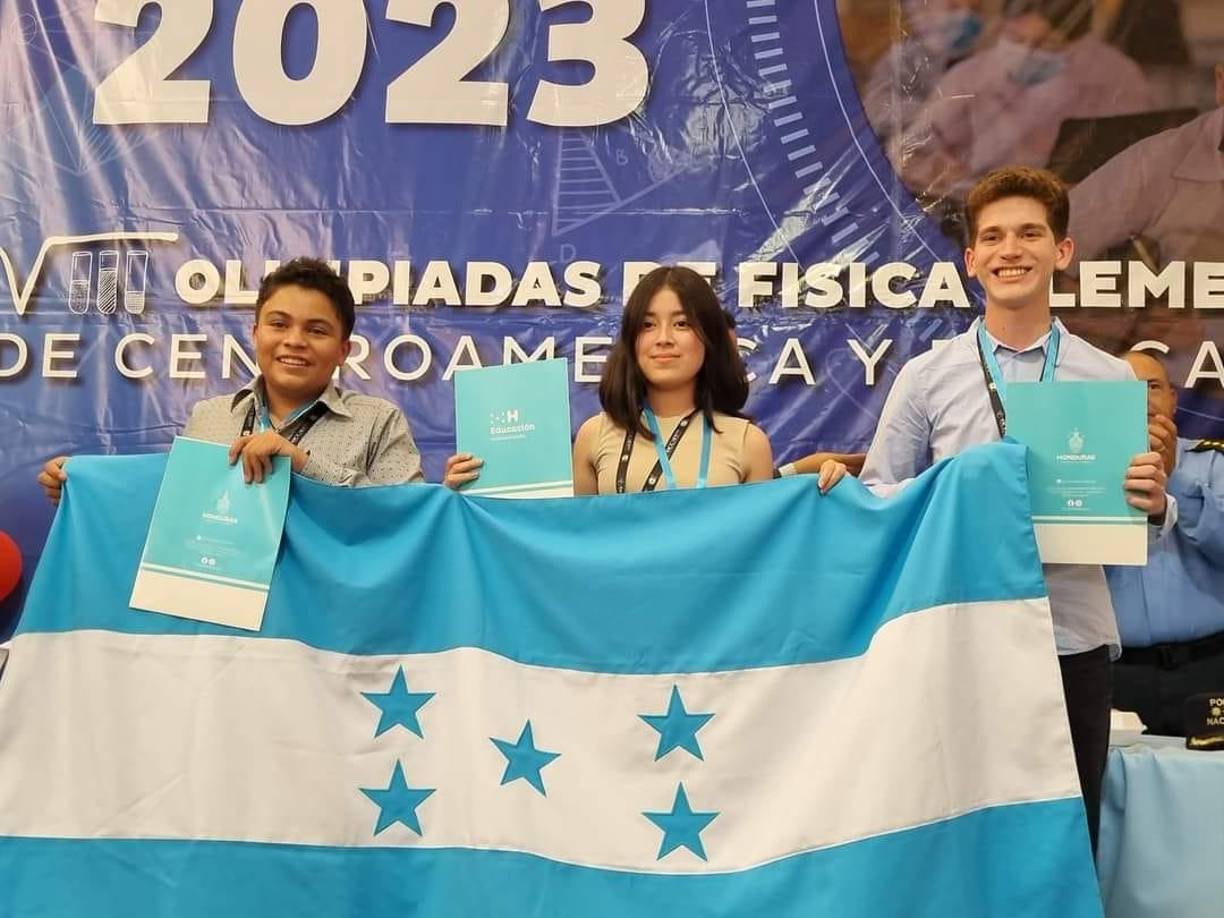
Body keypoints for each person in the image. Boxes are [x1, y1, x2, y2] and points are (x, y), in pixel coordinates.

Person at [859, 165, 1171, 852]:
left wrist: (1151, 503)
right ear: (971, 262)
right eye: (993, 237)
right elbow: (883, 501)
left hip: (1070, 641)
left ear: (1062, 251)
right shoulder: (927, 377)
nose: (1011, 249)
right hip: (955, 637)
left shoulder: (1110, 378)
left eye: (1030, 233)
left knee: (1064, 838)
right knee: (956, 836)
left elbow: (1136, 514)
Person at [38, 257, 425, 501]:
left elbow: (411, 518)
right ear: (255, 333)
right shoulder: (210, 416)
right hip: (219, 614)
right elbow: (175, 503)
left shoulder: (379, 420)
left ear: (343, 350)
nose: (294, 341)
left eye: (317, 330)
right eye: (279, 324)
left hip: (326, 620)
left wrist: (304, 465)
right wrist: (85, 487)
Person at [446, 266, 846, 494]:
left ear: (708, 339)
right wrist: (462, 495)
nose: (664, 339)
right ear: (631, 339)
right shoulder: (595, 435)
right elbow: (558, 540)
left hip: (709, 635)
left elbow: (766, 555)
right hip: (608, 630)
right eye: (648, 324)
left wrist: (831, 495)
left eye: (683, 323)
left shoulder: (746, 441)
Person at [895, 0, 1152, 199]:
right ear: (1002, 28)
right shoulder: (971, 76)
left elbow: (1140, 160)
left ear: (1078, 43)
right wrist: (938, 170)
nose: (1027, 53)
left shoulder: (1116, 76)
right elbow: (905, 153)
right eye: (1016, 39)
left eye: (1047, 45)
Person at [1106, 351, 1224, 737]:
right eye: (1125, 389)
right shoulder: (1085, 474)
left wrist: (1170, 477)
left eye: (1152, 387)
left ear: (1174, 398)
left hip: (1210, 669)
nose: (1140, 398)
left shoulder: (1214, 465)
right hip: (1118, 676)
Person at [862, 0, 989, 143]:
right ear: (923, 12)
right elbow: (876, 110)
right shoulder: (904, 60)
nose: (966, 16)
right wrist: (933, 113)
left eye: (974, 10)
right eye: (953, 8)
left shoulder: (984, 62)